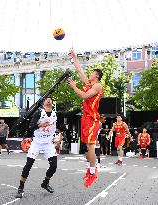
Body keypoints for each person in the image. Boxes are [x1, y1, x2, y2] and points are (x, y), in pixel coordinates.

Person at [67, 47, 103, 187]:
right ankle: (90, 169)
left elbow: (83, 95)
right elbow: (80, 71)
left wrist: (74, 87)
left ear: (97, 76)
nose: (89, 74)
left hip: (93, 118)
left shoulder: (98, 86)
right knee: (87, 147)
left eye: (92, 73)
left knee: (90, 146)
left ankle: (93, 172)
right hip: (85, 118)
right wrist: (74, 57)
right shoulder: (89, 84)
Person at [15, 97, 58, 198]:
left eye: (50, 99)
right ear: (43, 103)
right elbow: (30, 127)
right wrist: (40, 124)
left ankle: (45, 183)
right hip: (37, 142)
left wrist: (58, 137)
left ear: (52, 103)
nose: (48, 100)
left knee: (54, 166)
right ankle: (20, 188)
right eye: (46, 99)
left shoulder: (55, 114)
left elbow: (60, 124)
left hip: (48, 143)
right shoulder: (38, 113)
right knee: (28, 165)